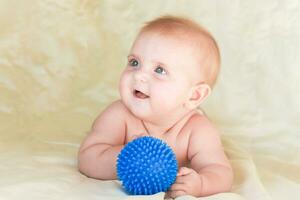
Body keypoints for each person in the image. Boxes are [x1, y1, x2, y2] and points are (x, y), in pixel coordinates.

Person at [78, 15, 233, 198]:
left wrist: (201, 184)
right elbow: (87, 157)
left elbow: (221, 172)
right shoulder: (119, 114)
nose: (139, 75)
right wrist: (128, 158)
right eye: (134, 62)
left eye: (160, 70)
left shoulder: (197, 129)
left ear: (194, 95)